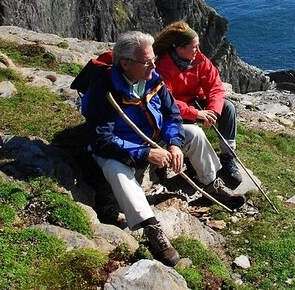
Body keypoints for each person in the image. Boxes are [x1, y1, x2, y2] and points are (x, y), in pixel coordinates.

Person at [82, 31, 244, 266]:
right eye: (147, 62)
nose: (153, 66)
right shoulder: (104, 92)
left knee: (195, 134)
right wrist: (145, 153)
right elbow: (101, 140)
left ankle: (211, 184)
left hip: (153, 137)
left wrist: (175, 144)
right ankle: (150, 227)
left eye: (153, 60)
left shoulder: (152, 78)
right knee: (117, 171)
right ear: (125, 64)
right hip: (123, 148)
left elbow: (172, 115)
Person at [153, 21, 243, 188]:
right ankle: (194, 164)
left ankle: (227, 157)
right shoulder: (163, 67)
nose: (198, 50)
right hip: (178, 109)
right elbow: (166, 101)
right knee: (187, 126)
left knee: (228, 108)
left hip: (195, 102)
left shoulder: (199, 60)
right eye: (194, 47)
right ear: (180, 49)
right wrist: (196, 114)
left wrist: (213, 111)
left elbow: (215, 86)